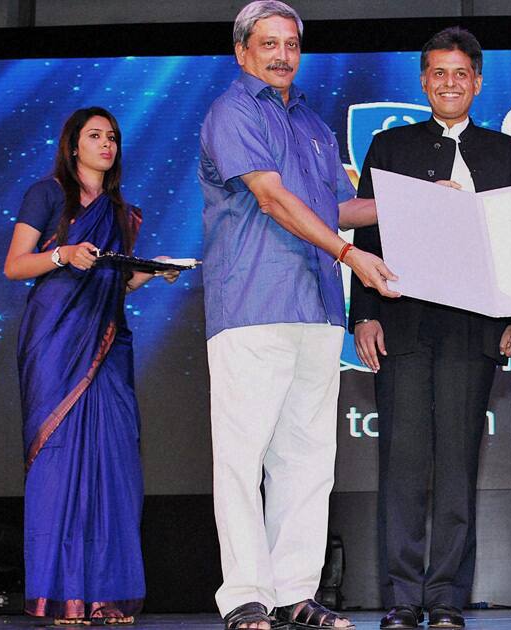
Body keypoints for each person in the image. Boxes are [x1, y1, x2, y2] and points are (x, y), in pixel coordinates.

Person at [198, 2, 397, 629]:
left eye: (291, 44)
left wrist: (420, 201)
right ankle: (246, 596)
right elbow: (273, 198)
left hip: (315, 308)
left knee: (309, 460)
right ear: (242, 51)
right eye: (268, 44)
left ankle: (293, 593)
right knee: (242, 456)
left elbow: (341, 207)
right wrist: (348, 257)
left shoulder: (312, 121)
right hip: (252, 305)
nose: (282, 55)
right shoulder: (232, 111)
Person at [349, 27, 511, 630]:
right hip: (401, 321)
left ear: (478, 82)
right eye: (439, 74)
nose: (450, 84)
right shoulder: (390, 146)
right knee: (401, 465)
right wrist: (364, 313)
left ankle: (447, 598)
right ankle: (403, 598)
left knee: (457, 466)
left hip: (471, 328)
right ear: (423, 81)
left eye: (461, 74)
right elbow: (364, 236)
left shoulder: (508, 155)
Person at [4, 106, 179, 625]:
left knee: (113, 465)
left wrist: (154, 273)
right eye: (95, 136)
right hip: (55, 341)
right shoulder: (46, 193)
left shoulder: (123, 212)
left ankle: (105, 596)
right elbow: (16, 266)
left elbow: (115, 282)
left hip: (109, 342)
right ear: (73, 144)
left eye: (113, 138)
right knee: (60, 465)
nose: (107, 145)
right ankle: (60, 596)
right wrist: (63, 254)